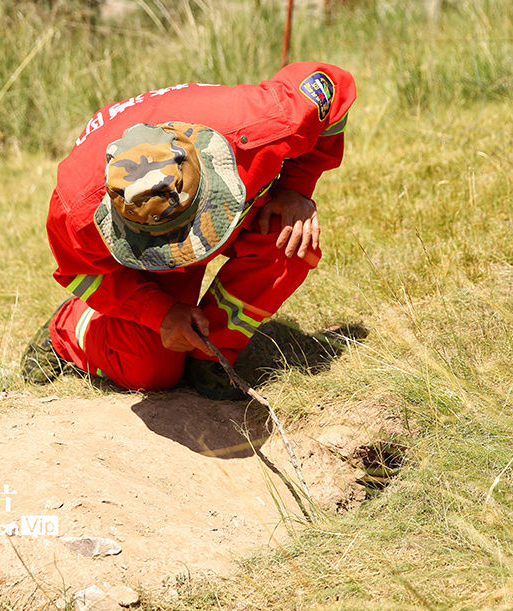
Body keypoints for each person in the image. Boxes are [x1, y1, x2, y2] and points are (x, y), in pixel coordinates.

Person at [21, 62, 356, 399]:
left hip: (246, 198)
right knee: (150, 371)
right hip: (141, 261)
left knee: (294, 241)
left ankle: (212, 354)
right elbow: (84, 274)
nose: (189, 251)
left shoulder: (264, 123)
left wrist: (296, 188)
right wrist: (159, 313)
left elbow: (333, 87)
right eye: (170, 242)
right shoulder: (75, 209)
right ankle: (68, 327)